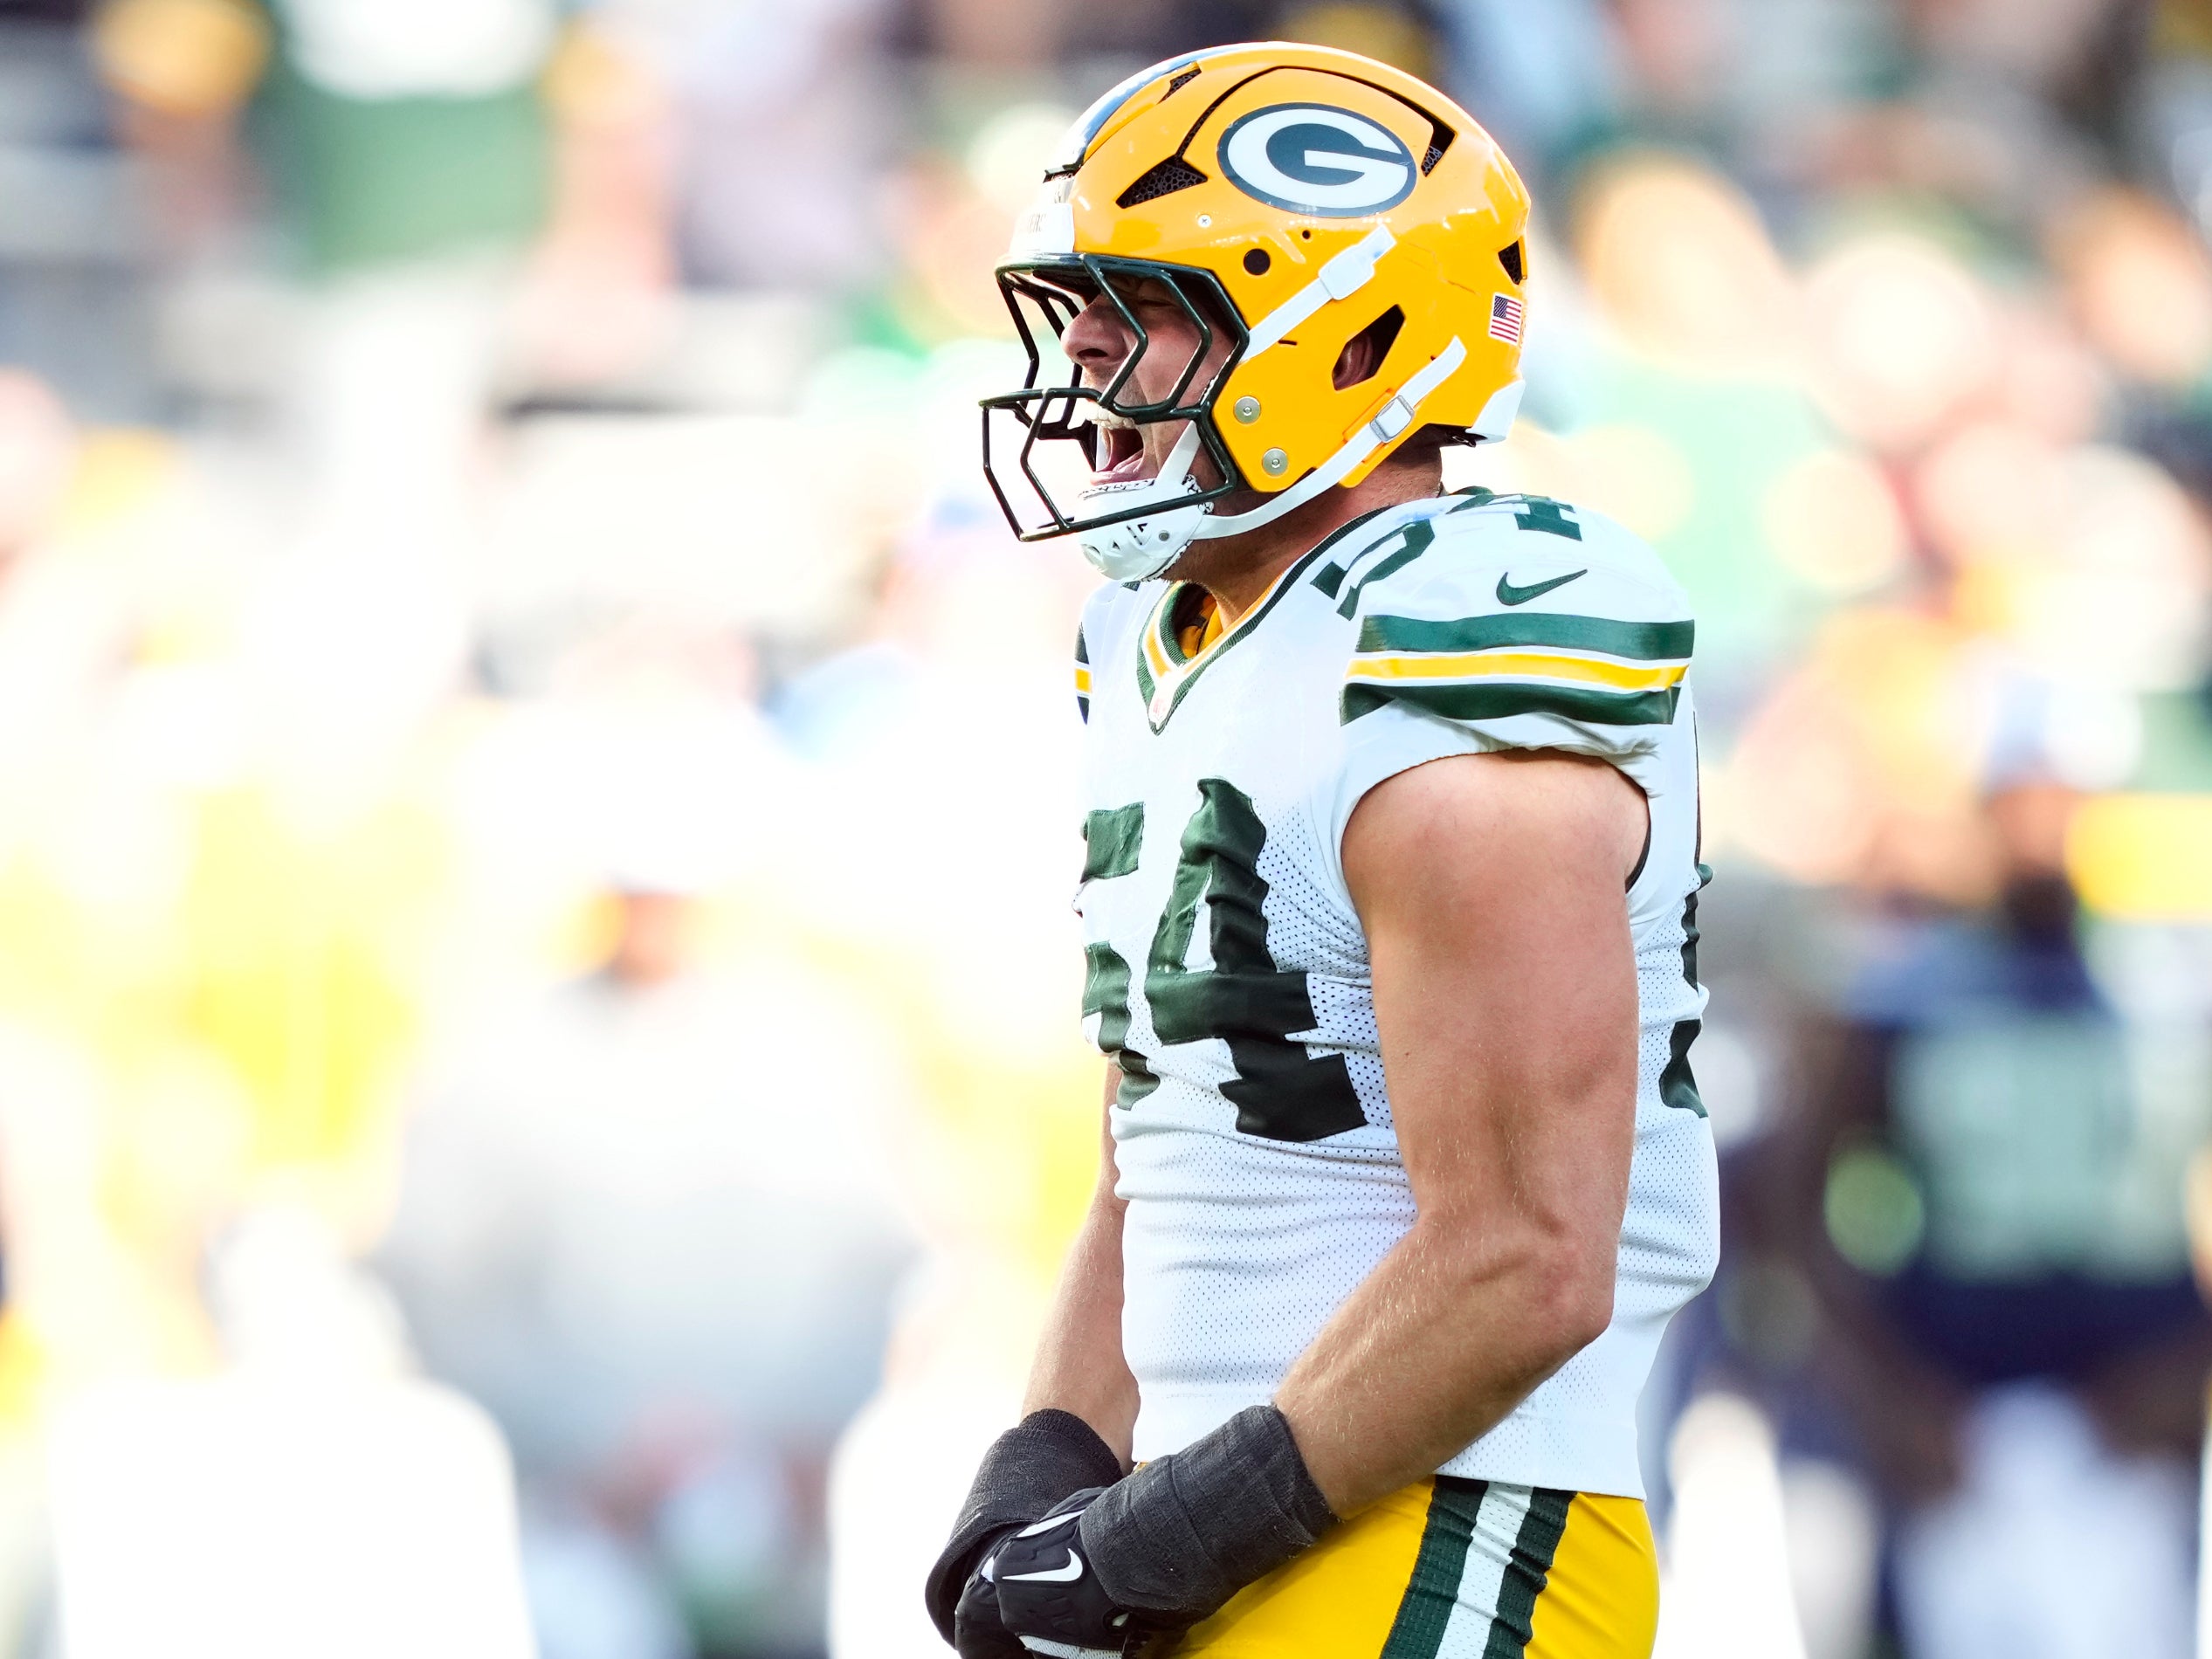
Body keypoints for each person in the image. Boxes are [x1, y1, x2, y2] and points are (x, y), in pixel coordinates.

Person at [927, 43, 1716, 1658]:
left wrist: (1156, 1540)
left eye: (1143, 305)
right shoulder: (1153, 637)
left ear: (1346, 337)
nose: (1085, 354)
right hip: (1238, 1517)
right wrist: (1051, 1462)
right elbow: (1167, 1128)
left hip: (1453, 1512)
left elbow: (1525, 1257)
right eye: (1075, 306)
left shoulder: (1460, 623)